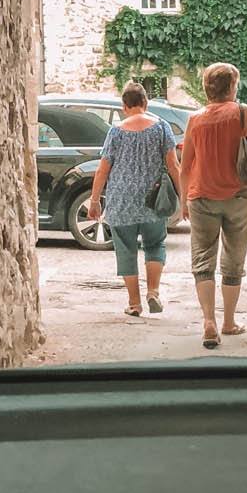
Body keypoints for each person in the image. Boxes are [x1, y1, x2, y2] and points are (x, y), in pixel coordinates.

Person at [180, 61, 247, 349]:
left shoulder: (195, 119)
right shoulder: (242, 112)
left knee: (203, 259)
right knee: (233, 259)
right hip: (237, 196)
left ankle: (208, 321)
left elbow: (185, 164)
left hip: (201, 196)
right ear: (231, 87)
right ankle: (228, 321)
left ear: (207, 88)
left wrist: (183, 201)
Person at [84, 82, 181, 317]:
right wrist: (184, 199)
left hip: (121, 200)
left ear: (124, 106)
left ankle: (135, 304)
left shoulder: (116, 131)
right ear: (145, 103)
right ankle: (153, 292)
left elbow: (103, 169)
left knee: (126, 250)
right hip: (154, 200)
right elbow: (173, 165)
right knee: (155, 244)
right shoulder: (162, 127)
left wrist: (95, 200)